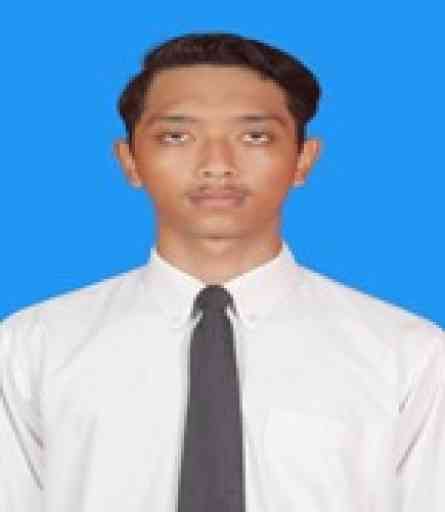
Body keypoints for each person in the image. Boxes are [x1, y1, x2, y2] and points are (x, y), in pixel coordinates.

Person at [1, 31, 444, 512]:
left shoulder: (408, 356)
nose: (216, 166)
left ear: (303, 159)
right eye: (177, 136)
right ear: (130, 161)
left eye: (255, 136)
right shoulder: (33, 347)